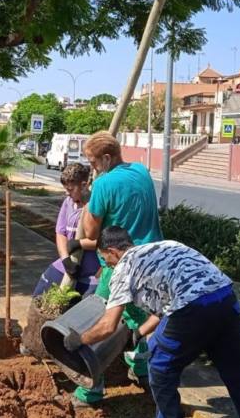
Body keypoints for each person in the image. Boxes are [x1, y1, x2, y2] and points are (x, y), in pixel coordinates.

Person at [64, 227, 240, 418]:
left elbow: (108, 325)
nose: (107, 264)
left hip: (191, 308)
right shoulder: (167, 245)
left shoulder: (124, 268)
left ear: (113, 251)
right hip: (225, 298)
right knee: (238, 368)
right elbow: (166, 306)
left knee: (160, 365)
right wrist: (138, 333)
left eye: (105, 259)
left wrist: (79, 340)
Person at [69, 131, 164, 408]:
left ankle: (90, 390)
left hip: (120, 261)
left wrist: (89, 201)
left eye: (94, 162)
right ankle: (143, 370)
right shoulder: (141, 171)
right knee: (139, 318)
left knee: (104, 319)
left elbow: (90, 231)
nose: (92, 168)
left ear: (107, 158)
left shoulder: (104, 184)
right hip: (152, 258)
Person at [31, 163, 100, 297]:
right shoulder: (68, 202)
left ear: (84, 185)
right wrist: (65, 259)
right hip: (68, 264)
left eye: (70, 189)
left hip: (91, 270)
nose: (66, 193)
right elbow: (61, 232)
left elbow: (105, 241)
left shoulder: (96, 205)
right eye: (65, 188)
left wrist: (80, 244)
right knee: (41, 293)